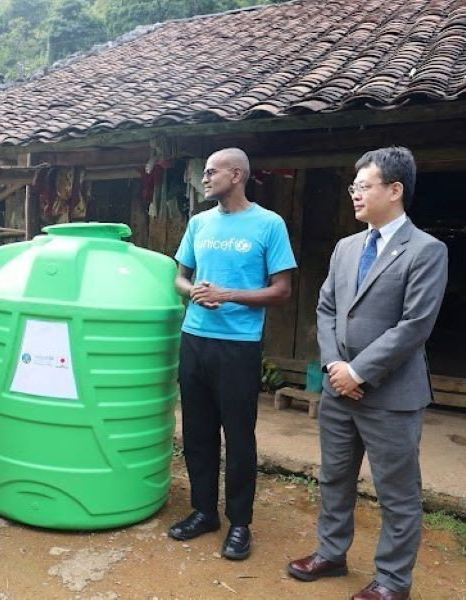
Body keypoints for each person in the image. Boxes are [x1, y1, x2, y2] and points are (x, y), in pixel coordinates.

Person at [288, 147, 448, 600]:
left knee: (397, 493)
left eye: (364, 186)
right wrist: (335, 366)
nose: (355, 194)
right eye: (353, 187)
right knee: (334, 477)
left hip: (391, 396)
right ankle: (331, 553)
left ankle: (393, 581)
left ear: (394, 190)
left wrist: (358, 371)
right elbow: (326, 308)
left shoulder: (426, 250)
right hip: (339, 391)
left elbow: (415, 325)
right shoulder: (346, 247)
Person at [169, 148, 297, 560]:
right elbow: (180, 277)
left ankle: (240, 523)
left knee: (239, 436)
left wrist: (227, 295)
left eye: (211, 172)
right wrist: (194, 292)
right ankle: (204, 512)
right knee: (197, 432)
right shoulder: (199, 223)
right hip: (194, 338)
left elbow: (282, 290)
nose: (204, 178)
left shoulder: (269, 224)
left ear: (237, 175)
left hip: (239, 344)